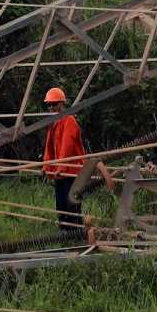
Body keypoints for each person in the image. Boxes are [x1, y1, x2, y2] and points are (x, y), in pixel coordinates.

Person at [42, 87, 112, 232]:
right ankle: (64, 232)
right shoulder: (53, 123)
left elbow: (66, 148)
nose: (51, 107)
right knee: (60, 203)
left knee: (71, 203)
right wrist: (46, 167)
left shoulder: (69, 121)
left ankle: (76, 232)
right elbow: (49, 148)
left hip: (72, 172)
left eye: (54, 104)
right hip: (60, 173)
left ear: (62, 104)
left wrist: (60, 168)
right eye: (49, 105)